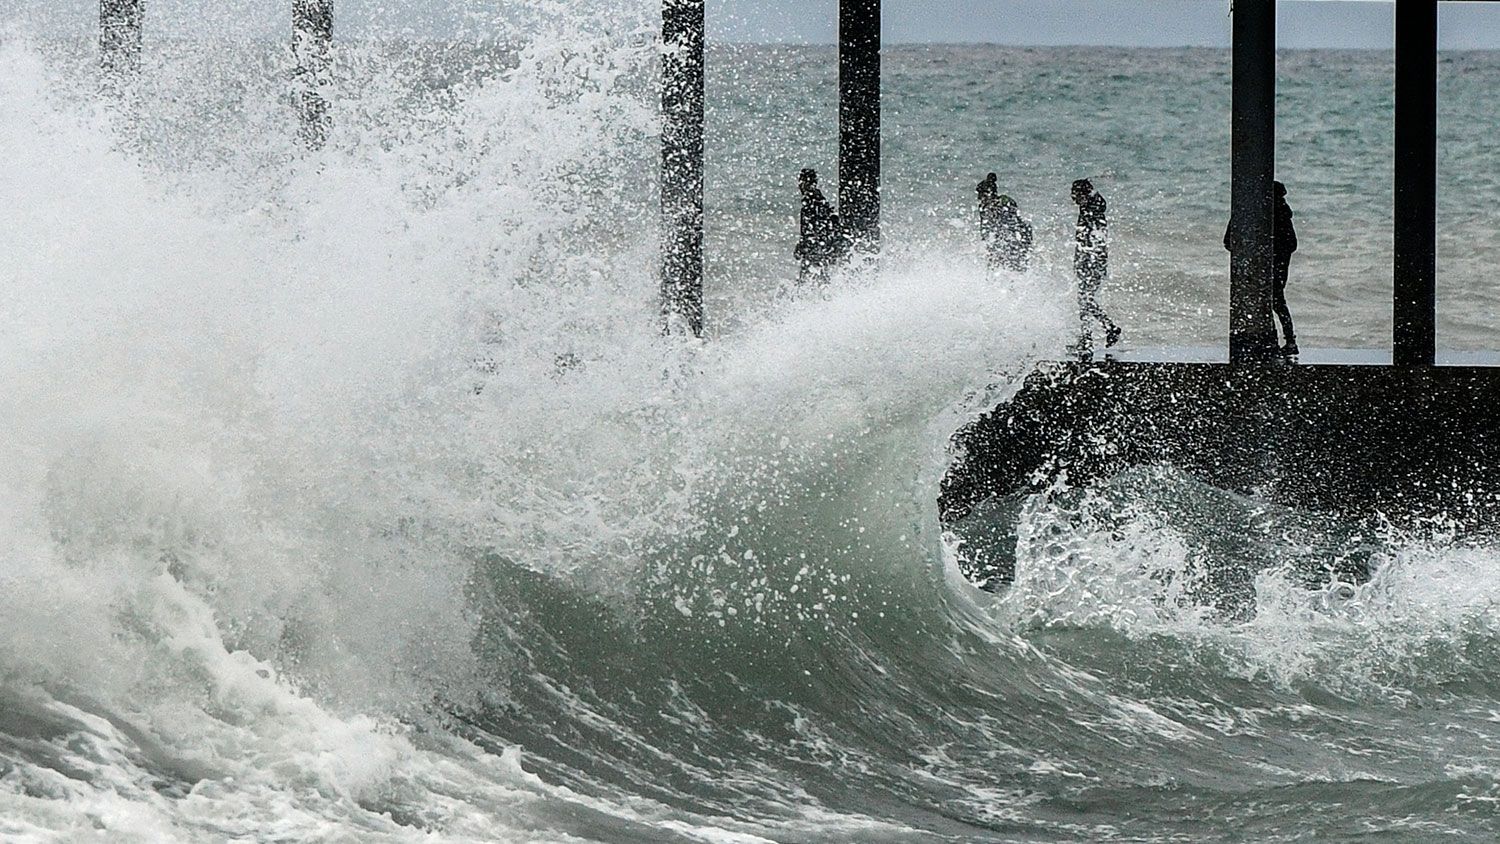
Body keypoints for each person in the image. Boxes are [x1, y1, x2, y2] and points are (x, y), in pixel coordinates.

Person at [1224, 180, 1299, 356]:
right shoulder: (1280, 214)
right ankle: (1283, 340)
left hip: (1263, 264)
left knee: (1270, 301)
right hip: (1272, 264)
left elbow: (1228, 242)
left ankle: (1281, 340)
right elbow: (1292, 244)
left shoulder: (1271, 214)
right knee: (1274, 302)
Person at [1072, 178, 1122, 351]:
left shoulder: (1091, 212)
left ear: (1083, 194)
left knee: (1084, 299)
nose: (1073, 198)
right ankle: (1103, 330)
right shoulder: (1091, 209)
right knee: (1085, 299)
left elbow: (1092, 240)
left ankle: (1091, 337)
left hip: (1091, 262)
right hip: (1091, 261)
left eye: (1075, 194)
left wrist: (1085, 260)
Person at [794, 168, 848, 285]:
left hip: (815, 247)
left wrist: (804, 245)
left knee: (807, 280)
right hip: (821, 246)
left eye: (802, 182)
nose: (801, 186)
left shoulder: (811, 200)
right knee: (819, 278)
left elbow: (813, 227)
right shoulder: (818, 199)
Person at [977, 174, 1033, 272]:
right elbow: (985, 233)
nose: (979, 199)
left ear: (988, 194)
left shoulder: (1003, 202)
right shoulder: (985, 208)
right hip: (1005, 245)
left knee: (1013, 270)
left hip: (1013, 244)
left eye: (981, 195)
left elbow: (1016, 223)